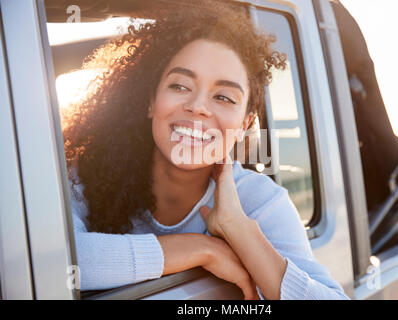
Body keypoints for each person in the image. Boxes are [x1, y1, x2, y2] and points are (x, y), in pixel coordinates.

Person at [63, 0, 349, 300]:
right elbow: (48, 262)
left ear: (244, 123)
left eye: (224, 97)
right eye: (181, 86)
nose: (198, 106)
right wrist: (200, 250)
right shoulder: (86, 178)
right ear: (151, 101)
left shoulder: (258, 200)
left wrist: (237, 228)